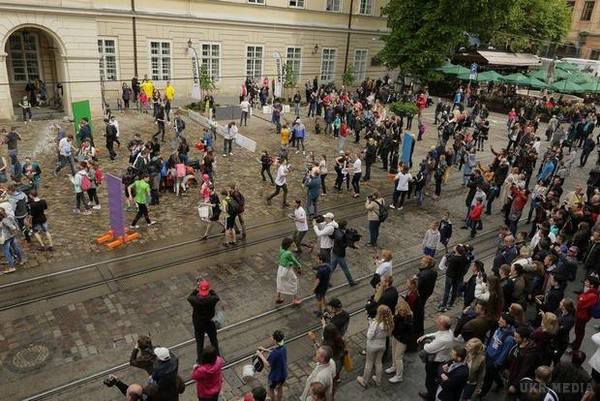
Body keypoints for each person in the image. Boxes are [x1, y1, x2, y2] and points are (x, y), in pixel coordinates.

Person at [418, 315, 455, 401]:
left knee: (430, 381)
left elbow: (428, 348)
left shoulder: (444, 339)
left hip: (436, 362)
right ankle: (431, 394)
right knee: (432, 380)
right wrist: (425, 336)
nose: (436, 323)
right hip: (439, 360)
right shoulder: (448, 331)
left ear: (442, 326)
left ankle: (430, 397)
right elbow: (436, 334)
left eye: (437, 322)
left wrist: (424, 343)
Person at [356, 304, 394, 388]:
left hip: (372, 345)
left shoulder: (375, 323)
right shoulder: (389, 323)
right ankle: (378, 380)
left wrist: (370, 324)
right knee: (378, 362)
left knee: (369, 362)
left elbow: (369, 335)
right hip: (382, 344)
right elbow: (388, 335)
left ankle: (364, 380)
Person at [188, 279, 221, 362]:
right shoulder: (212, 299)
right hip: (210, 323)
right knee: (214, 340)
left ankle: (200, 359)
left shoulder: (194, 301)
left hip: (198, 324)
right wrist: (210, 289)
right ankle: (217, 357)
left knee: (200, 343)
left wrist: (197, 289)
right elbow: (216, 297)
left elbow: (189, 297)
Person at [386, 298, 413, 383]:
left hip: (402, 339)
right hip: (396, 336)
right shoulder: (398, 316)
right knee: (394, 352)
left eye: (403, 310)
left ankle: (399, 376)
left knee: (398, 357)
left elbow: (401, 328)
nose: (401, 312)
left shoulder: (408, 319)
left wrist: (396, 319)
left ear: (406, 310)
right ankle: (394, 366)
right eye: (400, 310)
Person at [256, 331, 288, 401]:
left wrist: (260, 355)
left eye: (272, 337)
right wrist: (265, 350)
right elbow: (275, 351)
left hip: (275, 377)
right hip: (283, 373)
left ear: (275, 340)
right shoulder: (283, 346)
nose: (271, 338)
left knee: (271, 389)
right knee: (280, 387)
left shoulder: (275, 353)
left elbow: (267, 364)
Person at [573, 276, 600, 351]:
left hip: (583, 316)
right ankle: (575, 342)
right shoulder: (591, 293)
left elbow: (580, 303)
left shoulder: (592, 295)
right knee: (578, 331)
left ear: (592, 285)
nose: (585, 282)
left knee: (579, 332)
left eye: (587, 282)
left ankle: (576, 346)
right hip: (581, 315)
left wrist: (583, 294)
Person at [275, 238, 302, 305]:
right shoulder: (288, 253)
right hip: (286, 270)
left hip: (280, 268)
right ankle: (294, 300)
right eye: (292, 245)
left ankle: (278, 297)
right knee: (294, 281)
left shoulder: (282, 249)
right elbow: (294, 261)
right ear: (289, 246)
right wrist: (299, 267)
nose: (294, 245)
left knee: (280, 282)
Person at [0, 207, 23, 273]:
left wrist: (14, 229)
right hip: (11, 236)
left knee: (6, 252)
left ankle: (11, 267)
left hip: (5, 238)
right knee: (15, 247)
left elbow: (13, 227)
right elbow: (14, 224)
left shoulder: (3, 221)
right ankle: (20, 260)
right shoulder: (9, 217)